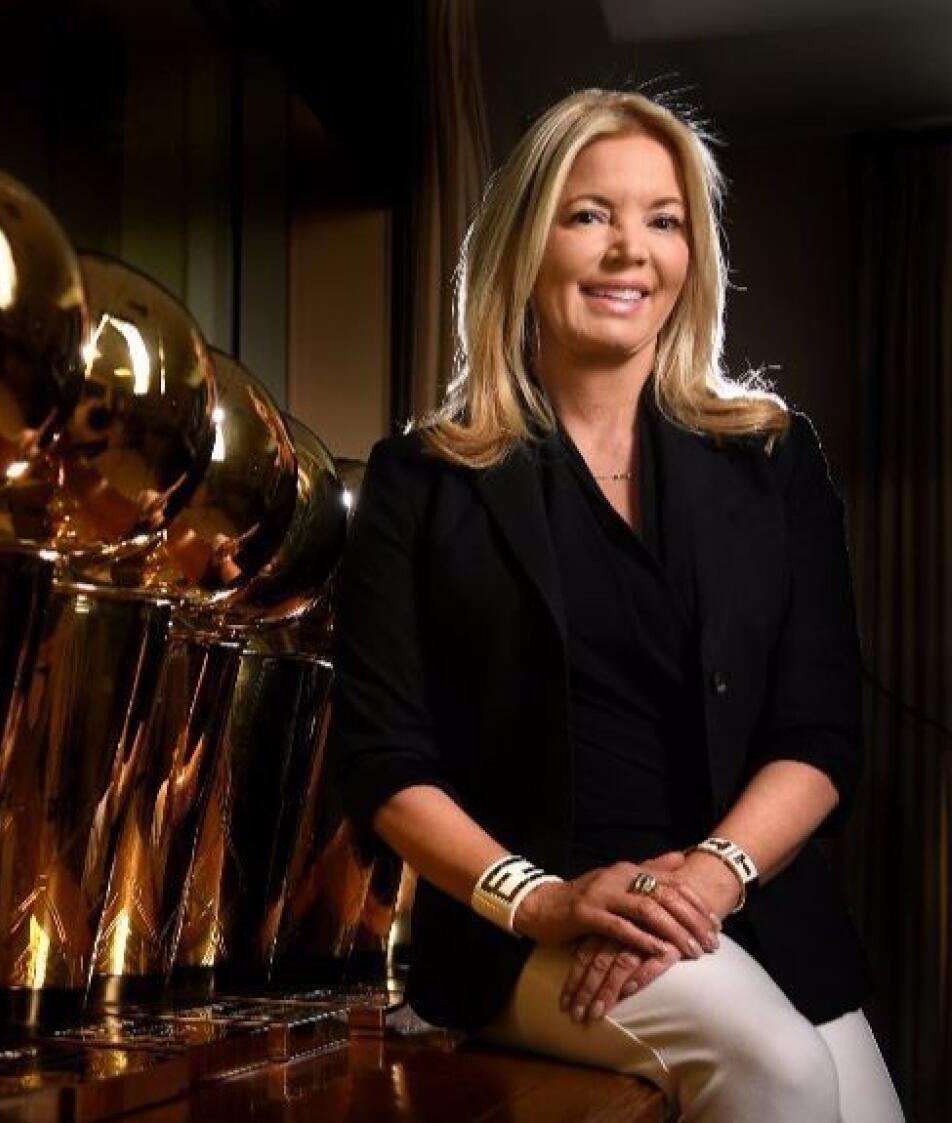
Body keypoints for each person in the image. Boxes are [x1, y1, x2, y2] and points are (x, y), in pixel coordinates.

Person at [328, 89, 905, 1121]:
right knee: (774, 1070)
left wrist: (707, 878)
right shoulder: (421, 480)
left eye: (661, 219)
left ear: (692, 256)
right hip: (524, 928)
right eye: (586, 213)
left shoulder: (770, 460)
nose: (625, 252)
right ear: (523, 242)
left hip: (744, 902)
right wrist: (543, 898)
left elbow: (817, 730)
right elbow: (383, 758)